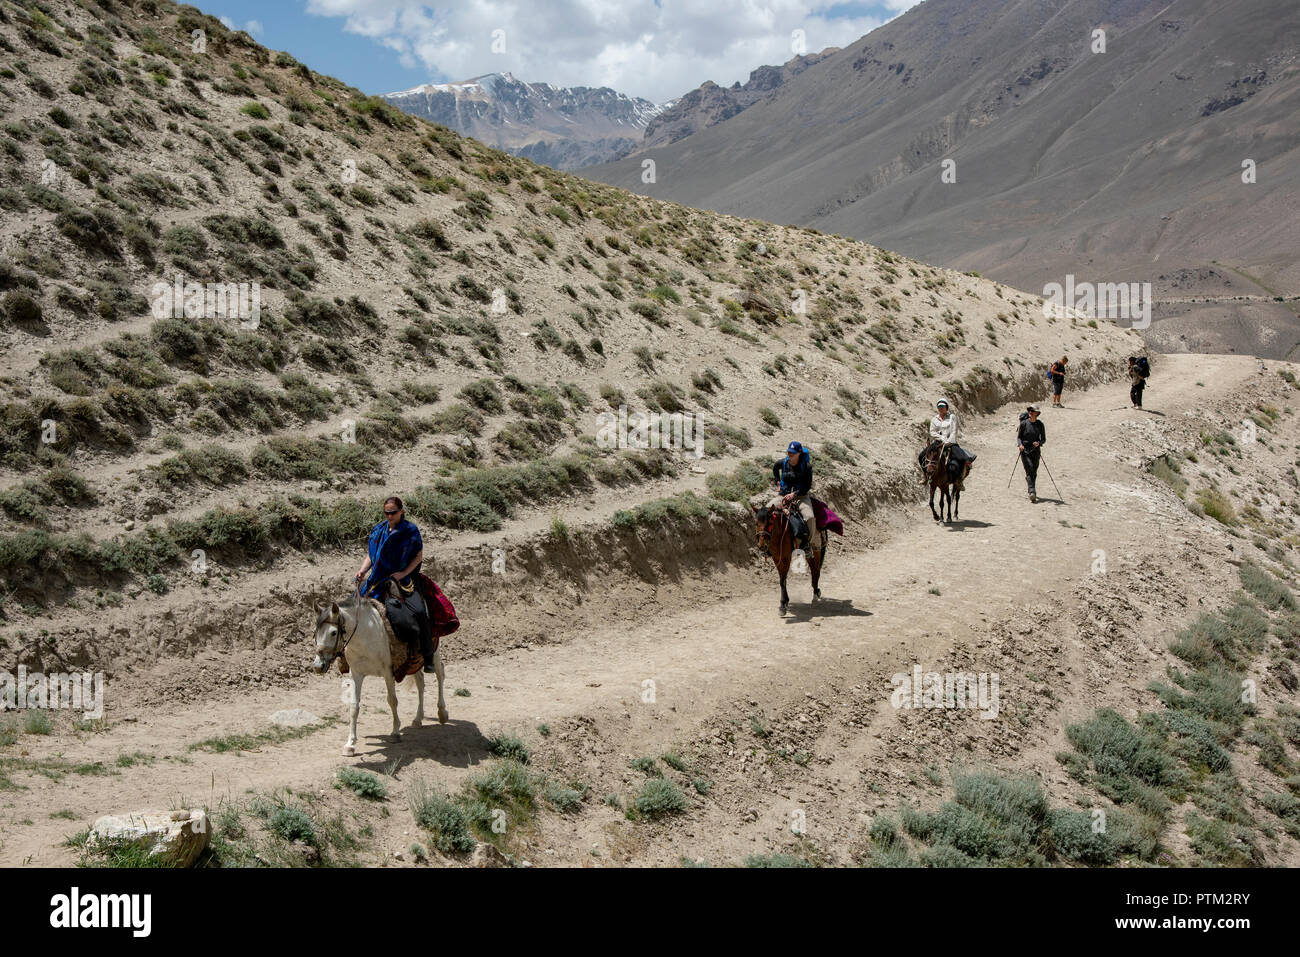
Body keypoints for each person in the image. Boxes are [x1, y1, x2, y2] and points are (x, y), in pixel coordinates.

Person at [355, 496, 436, 673]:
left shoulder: (410, 530)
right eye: (386, 513)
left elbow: (418, 557)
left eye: (393, 513)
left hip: (405, 580)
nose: (389, 516)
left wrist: (402, 574)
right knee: (353, 609)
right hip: (377, 579)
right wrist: (362, 571)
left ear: (401, 511)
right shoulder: (379, 530)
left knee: (420, 612)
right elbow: (371, 555)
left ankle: (427, 656)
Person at [769, 441, 817, 554]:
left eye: (793, 453)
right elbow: (775, 468)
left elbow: (807, 486)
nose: (790, 455)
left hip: (801, 496)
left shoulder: (806, 466)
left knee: (809, 517)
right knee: (766, 510)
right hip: (783, 495)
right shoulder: (784, 462)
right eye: (789, 452)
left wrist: (794, 494)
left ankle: (807, 545)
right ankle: (768, 541)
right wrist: (777, 482)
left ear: (799, 453)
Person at [920, 399, 976, 487]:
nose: (941, 408)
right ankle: (925, 476)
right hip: (938, 443)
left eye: (943, 407)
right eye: (939, 407)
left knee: (962, 458)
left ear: (946, 407)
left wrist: (949, 441)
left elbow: (954, 431)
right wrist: (941, 438)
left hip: (951, 443)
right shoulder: (934, 419)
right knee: (921, 455)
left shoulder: (952, 417)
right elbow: (932, 432)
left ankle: (959, 480)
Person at [1017, 405, 1046, 503]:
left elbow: (1043, 439)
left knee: (1034, 470)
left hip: (1036, 451)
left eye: (1033, 411)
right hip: (1025, 450)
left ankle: (1031, 487)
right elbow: (1019, 437)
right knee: (1029, 469)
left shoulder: (1040, 425)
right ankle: (1032, 491)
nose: (1031, 412)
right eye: (1030, 410)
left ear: (1037, 414)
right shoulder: (1024, 424)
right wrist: (1020, 445)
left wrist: (1039, 443)